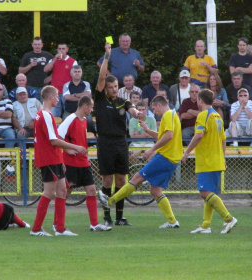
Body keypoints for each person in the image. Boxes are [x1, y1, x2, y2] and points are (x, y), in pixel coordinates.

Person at [98, 95, 182, 229]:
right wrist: (148, 131)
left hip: (165, 156)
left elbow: (169, 136)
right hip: (172, 158)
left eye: (154, 108)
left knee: (137, 178)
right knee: (155, 190)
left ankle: (110, 201)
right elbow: (163, 134)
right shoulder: (172, 115)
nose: (154, 112)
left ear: (159, 105)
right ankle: (172, 221)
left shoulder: (167, 115)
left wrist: (151, 149)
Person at [30, 86, 88, 236]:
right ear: (50, 97)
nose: (58, 99)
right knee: (49, 192)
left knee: (62, 191)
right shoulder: (45, 115)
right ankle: (36, 229)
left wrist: (61, 159)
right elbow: (54, 140)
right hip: (48, 159)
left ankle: (60, 228)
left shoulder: (42, 115)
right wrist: (76, 147)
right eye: (56, 97)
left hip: (54, 158)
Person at [95, 42, 142, 226]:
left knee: (122, 179)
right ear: (105, 88)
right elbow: (101, 76)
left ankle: (119, 216)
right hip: (105, 143)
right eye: (111, 86)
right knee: (107, 180)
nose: (114, 89)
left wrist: (137, 113)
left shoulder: (123, 101)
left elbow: (132, 109)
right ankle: (106, 216)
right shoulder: (99, 99)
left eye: (116, 86)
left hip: (121, 143)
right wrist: (106, 56)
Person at [181, 89, 238, 234]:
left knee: (205, 192)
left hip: (207, 160)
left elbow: (198, 136)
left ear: (200, 100)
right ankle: (206, 225)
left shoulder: (203, 115)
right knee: (209, 192)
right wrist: (223, 157)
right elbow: (223, 140)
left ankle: (228, 218)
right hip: (216, 159)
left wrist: (186, 152)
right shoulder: (217, 116)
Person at [57, 96, 111, 232]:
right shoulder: (70, 119)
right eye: (91, 107)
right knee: (66, 192)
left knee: (91, 190)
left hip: (83, 162)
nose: (92, 110)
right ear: (85, 106)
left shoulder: (84, 121)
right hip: (70, 162)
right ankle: (57, 223)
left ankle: (94, 224)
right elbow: (57, 136)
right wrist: (68, 149)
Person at [44, 43, 78, 118]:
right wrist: (55, 59)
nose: (61, 50)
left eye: (63, 49)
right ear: (57, 50)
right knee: (54, 116)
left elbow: (76, 76)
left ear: (67, 50)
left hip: (67, 92)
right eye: (59, 49)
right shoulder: (53, 60)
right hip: (54, 92)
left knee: (69, 115)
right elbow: (46, 69)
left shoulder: (72, 61)